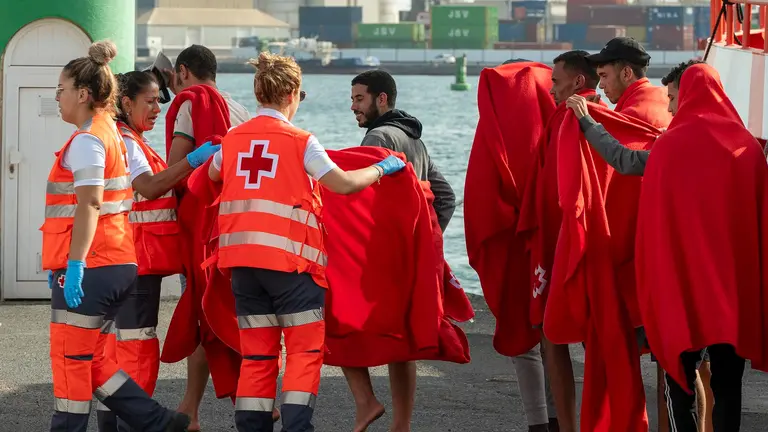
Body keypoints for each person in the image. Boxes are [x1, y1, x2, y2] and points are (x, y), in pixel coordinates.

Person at [206, 51, 405, 432]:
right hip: (291, 269)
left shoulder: (233, 139)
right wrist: (382, 167)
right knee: (302, 353)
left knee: (258, 357)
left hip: (243, 267)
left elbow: (213, 175)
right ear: (293, 93)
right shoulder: (300, 141)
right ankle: (297, 427)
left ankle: (252, 425)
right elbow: (343, 185)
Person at [45, 40, 190, 432]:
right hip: (115, 262)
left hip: (90, 266)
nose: (56, 98)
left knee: (70, 363)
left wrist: (73, 266)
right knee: (96, 361)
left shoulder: (89, 140)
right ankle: (158, 421)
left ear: (83, 94)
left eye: (60, 90)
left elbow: (89, 205)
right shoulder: (110, 130)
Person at [566, 59, 714, 432]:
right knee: (710, 370)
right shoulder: (736, 145)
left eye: (674, 97)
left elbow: (625, 160)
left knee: (675, 363)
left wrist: (587, 122)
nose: (669, 107)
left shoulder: (676, 144)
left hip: (677, 274)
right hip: (715, 275)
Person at [633, 61, 768, 432]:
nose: (671, 108)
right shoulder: (748, 149)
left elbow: (652, 229)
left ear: (688, 94)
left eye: (674, 98)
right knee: (728, 385)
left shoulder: (668, 147)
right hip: (733, 295)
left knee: (679, 385)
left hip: (682, 290)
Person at [93, 70, 221, 432]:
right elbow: (148, 187)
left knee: (115, 353)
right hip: (135, 262)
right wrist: (194, 161)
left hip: (121, 258)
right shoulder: (128, 143)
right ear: (126, 102)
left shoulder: (124, 139)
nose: (157, 109)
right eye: (149, 101)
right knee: (136, 349)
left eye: (159, 101)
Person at [346, 69, 455, 431]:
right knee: (404, 340)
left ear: (382, 99)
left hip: (381, 257)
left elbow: (359, 201)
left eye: (359, 99)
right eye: (352, 100)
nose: (353, 107)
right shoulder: (415, 140)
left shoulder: (377, 136)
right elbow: (446, 197)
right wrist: (425, 240)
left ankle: (366, 401)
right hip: (410, 259)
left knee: (339, 319)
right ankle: (401, 424)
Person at [164, 44, 251, 431]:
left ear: (184, 71)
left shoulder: (189, 105)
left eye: (172, 77)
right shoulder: (241, 109)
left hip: (200, 224)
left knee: (203, 312)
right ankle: (239, 401)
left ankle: (199, 408)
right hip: (235, 224)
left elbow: (176, 169)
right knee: (231, 311)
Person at [535, 50, 600, 432]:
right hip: (599, 245)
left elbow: (561, 193)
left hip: (570, 245)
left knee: (552, 335)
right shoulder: (604, 114)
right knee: (596, 342)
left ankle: (569, 426)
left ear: (577, 82)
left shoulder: (567, 119)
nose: (551, 92)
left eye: (556, 83)